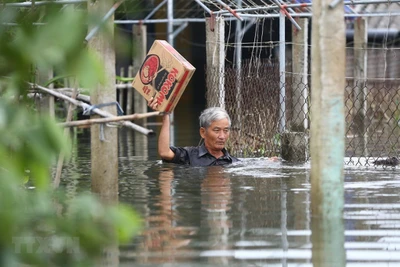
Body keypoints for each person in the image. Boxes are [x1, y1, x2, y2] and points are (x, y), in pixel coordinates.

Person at [148, 97, 239, 166]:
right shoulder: (189, 155)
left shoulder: (233, 162)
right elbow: (165, 152)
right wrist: (165, 115)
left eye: (226, 130)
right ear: (203, 132)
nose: (222, 136)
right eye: (216, 130)